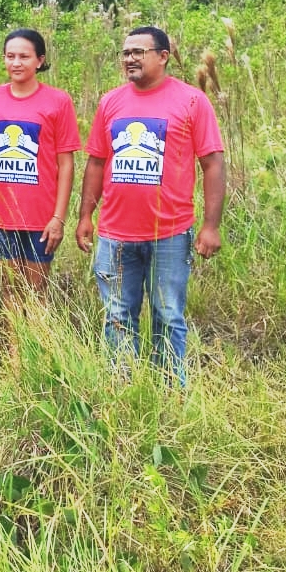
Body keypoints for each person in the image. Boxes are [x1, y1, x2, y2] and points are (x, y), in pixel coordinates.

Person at [74, 25, 226, 386]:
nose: (130, 58)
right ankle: (123, 386)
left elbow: (213, 163)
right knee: (117, 314)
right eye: (126, 52)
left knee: (167, 313)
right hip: (115, 234)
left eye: (139, 52)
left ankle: (170, 388)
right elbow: (96, 162)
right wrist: (84, 216)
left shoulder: (191, 101)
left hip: (170, 233)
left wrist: (210, 225)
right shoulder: (111, 102)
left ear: (163, 56)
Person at [0, 29, 81, 301]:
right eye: (10, 56)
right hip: (0, 212)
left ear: (39, 60)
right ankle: (14, 345)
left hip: (41, 214)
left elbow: (66, 164)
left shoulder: (58, 101)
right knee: (10, 289)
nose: (16, 63)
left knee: (37, 291)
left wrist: (58, 217)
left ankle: (36, 343)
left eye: (24, 57)